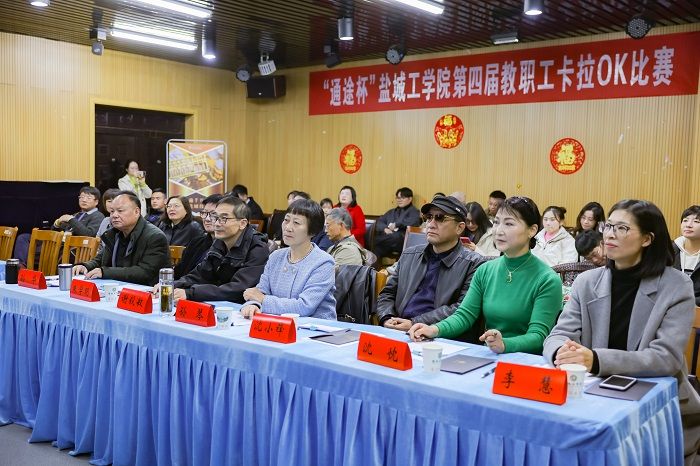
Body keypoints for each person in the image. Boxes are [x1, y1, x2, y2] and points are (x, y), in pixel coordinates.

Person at [543, 200, 700, 463]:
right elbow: (558, 335)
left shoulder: (676, 286)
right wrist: (563, 352)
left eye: (622, 228)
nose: (610, 234)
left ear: (647, 239)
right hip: (593, 399)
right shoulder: (587, 282)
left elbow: (666, 358)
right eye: (609, 226)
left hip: (656, 408)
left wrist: (595, 360)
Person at [409, 196, 562, 355]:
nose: (499, 230)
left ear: (532, 230)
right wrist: (434, 329)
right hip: (489, 355)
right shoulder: (485, 270)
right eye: (496, 222)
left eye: (509, 224)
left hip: (526, 361)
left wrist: (504, 344)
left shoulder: (547, 279)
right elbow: (464, 316)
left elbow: (539, 336)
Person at [377, 196, 485, 333]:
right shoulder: (410, 255)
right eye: (428, 217)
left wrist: (414, 323)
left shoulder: (474, 264)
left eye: (440, 218)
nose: (431, 224)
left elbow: (462, 309)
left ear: (459, 228)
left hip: (439, 335)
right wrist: (387, 317)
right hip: (397, 330)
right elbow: (387, 293)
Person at [240, 199, 336, 320]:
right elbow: (260, 291)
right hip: (278, 323)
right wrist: (253, 304)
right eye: (286, 220)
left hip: (315, 327)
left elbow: (304, 307)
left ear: (312, 231)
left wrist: (262, 299)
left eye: (296, 223)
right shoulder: (276, 256)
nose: (288, 227)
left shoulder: (323, 262)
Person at [171, 196, 269, 302]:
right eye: (216, 217)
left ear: (242, 223)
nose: (217, 223)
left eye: (224, 219)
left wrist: (191, 293)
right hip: (220, 303)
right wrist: (171, 285)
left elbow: (239, 289)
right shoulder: (219, 242)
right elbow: (200, 274)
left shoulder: (258, 248)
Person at [73, 191, 170, 286]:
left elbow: (145, 272)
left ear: (137, 211)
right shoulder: (114, 233)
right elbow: (100, 259)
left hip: (145, 290)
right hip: (119, 286)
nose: (114, 215)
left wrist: (105, 272)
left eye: (120, 211)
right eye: (112, 211)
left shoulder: (154, 236)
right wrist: (86, 266)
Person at [14, 186, 105, 266]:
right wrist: (57, 223)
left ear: (96, 202)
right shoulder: (77, 214)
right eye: (82, 197)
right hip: (58, 243)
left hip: (71, 249)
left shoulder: (98, 216)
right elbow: (53, 231)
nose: (84, 200)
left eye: (88, 198)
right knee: (24, 238)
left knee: (31, 252)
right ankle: (20, 266)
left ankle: (23, 266)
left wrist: (71, 220)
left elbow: (89, 234)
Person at [173, 194, 222, 279]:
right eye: (205, 213)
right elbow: (179, 271)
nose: (207, 219)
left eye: (213, 214)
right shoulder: (196, 242)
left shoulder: (227, 247)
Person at [372, 187, 421, 260]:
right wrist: (385, 229)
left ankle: (371, 241)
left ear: (410, 199)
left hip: (402, 241)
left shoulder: (414, 212)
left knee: (392, 237)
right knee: (376, 249)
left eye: (402, 198)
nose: (399, 200)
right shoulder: (391, 212)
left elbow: (413, 223)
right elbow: (379, 221)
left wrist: (396, 224)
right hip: (387, 241)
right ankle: (373, 265)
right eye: (398, 198)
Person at [673, 205, 700, 306]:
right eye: (685, 220)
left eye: (696, 221)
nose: (688, 225)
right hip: (670, 308)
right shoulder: (668, 252)